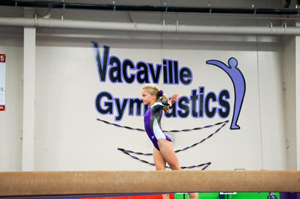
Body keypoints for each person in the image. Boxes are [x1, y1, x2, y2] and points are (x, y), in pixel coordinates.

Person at [141, 85, 198, 199]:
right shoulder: (150, 108)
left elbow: (160, 104)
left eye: (144, 95)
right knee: (160, 174)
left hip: (162, 141)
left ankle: (194, 195)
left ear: (153, 97)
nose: (142, 98)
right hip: (156, 144)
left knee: (176, 169)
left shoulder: (154, 106)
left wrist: (169, 102)